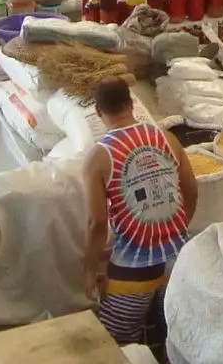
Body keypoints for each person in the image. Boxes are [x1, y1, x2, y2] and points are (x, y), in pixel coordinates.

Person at [84, 81, 197, 343]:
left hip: (133, 271)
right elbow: (191, 192)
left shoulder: (99, 157)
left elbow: (97, 222)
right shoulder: (167, 138)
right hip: (178, 261)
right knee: (175, 333)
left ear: (98, 111)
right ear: (132, 104)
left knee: (118, 346)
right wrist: (175, 231)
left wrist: (89, 271)